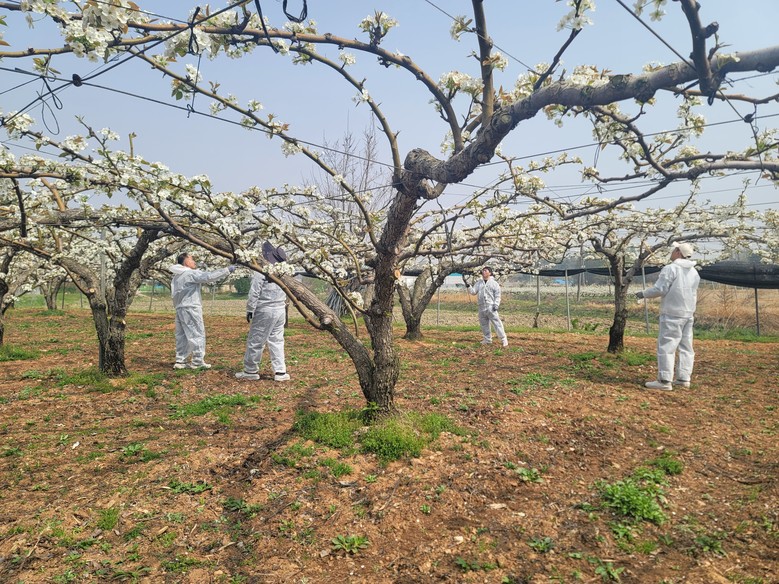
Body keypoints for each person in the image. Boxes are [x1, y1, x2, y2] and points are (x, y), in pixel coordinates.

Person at [636, 241, 701, 391]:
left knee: (666, 346)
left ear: (678, 252)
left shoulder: (670, 269)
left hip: (672, 313)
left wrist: (643, 293)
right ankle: (684, 378)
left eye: (673, 250)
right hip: (688, 313)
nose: (671, 252)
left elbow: (660, 289)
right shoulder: (694, 272)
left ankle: (664, 380)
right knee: (686, 346)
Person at [235, 241, 290, 382]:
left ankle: (250, 370)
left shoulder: (262, 271)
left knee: (256, 340)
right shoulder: (284, 270)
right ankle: (280, 372)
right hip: (280, 309)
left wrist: (250, 309)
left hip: (265, 309)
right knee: (277, 340)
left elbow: (254, 292)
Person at [169, 252, 235, 369]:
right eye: (192, 259)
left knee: (182, 335)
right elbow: (208, 277)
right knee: (196, 333)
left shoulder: (177, 276)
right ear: (186, 261)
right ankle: (198, 361)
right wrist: (226, 270)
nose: (194, 261)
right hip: (191, 308)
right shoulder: (190, 273)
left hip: (180, 308)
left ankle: (181, 361)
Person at [464, 267, 508, 347]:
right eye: (483, 270)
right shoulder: (479, 283)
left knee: (497, 323)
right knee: (484, 324)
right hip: (481, 306)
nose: (483, 272)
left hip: (491, 306)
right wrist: (468, 286)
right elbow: (473, 292)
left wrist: (496, 304)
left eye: (485, 271)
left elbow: (497, 295)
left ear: (490, 273)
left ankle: (503, 339)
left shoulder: (494, 283)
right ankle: (487, 339)